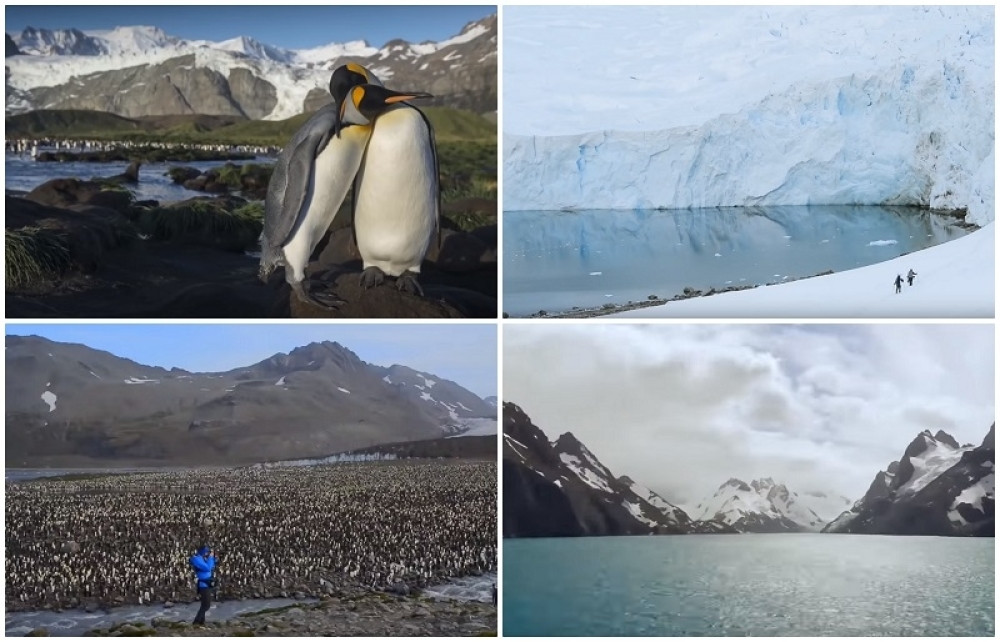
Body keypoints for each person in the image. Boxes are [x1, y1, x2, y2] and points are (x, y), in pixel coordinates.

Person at [189, 545, 216, 625]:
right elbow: (207, 568)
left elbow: (211, 566)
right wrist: (211, 558)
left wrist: (213, 559)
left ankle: (201, 621)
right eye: (206, 551)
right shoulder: (196, 559)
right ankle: (196, 622)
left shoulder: (202, 558)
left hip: (207, 583)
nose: (207, 553)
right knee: (206, 605)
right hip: (203, 584)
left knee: (204, 604)